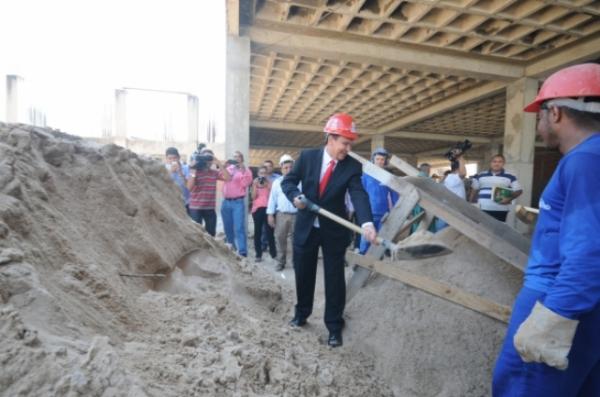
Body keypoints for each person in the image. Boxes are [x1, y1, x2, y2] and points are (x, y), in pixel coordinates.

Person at [492, 63, 600, 396]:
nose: (538, 126)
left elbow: (589, 253)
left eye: (539, 116)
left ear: (555, 113)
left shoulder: (585, 161)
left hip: (557, 299)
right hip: (585, 305)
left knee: (521, 387)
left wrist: (553, 317)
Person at [281, 112, 377, 348]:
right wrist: (295, 197)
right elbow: (288, 182)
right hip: (306, 226)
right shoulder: (308, 157)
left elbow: (358, 194)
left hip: (333, 229)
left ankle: (334, 326)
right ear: (330, 139)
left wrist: (366, 222)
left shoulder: (352, 166)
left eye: (350, 143)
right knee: (304, 273)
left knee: (334, 279)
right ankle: (301, 314)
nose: (348, 148)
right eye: (345, 143)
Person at [359, 147, 399, 254]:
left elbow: (394, 195)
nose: (380, 161)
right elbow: (360, 194)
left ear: (385, 161)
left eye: (382, 159)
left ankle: (378, 260)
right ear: (373, 160)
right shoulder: (366, 176)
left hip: (383, 214)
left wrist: (396, 210)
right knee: (366, 238)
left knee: (381, 239)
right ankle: (361, 260)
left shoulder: (388, 177)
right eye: (378, 159)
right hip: (368, 213)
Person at [186, 147, 230, 236]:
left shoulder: (214, 173)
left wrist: (219, 164)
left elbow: (228, 178)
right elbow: (189, 188)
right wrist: (193, 169)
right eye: (205, 157)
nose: (207, 161)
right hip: (195, 208)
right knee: (196, 234)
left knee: (211, 234)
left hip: (209, 208)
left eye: (209, 158)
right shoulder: (194, 171)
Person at [266, 154, 298, 271]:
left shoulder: (299, 181)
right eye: (286, 168)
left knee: (296, 240)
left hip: (296, 215)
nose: (288, 170)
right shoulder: (277, 182)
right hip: (281, 215)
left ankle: (296, 262)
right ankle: (281, 261)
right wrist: (270, 214)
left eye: (290, 167)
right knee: (280, 238)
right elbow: (272, 199)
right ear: (281, 168)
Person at [470, 154, 522, 222]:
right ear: (490, 163)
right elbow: (474, 190)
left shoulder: (510, 176)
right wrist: (470, 203)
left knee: (499, 230)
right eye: (494, 161)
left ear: (503, 163)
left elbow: (519, 191)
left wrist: (509, 198)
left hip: (501, 209)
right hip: (483, 208)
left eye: (500, 162)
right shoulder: (480, 175)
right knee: (483, 229)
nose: (497, 164)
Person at [221, 151, 253, 257]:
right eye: (234, 157)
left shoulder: (246, 171)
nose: (236, 159)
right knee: (227, 227)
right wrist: (224, 165)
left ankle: (243, 252)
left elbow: (246, 183)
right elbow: (221, 177)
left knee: (239, 227)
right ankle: (231, 248)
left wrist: (242, 170)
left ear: (242, 159)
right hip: (226, 202)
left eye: (238, 157)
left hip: (237, 202)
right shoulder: (228, 169)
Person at [250, 166, 276, 262]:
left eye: (264, 173)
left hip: (268, 209)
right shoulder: (255, 182)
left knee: (270, 232)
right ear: (258, 174)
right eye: (261, 173)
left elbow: (272, 197)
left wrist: (267, 185)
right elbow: (253, 197)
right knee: (258, 232)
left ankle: (273, 253)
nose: (263, 175)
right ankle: (258, 254)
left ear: (267, 174)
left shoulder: (270, 183)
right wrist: (255, 186)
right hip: (257, 209)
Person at [435, 154, 467, 230]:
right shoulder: (453, 177)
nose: (464, 168)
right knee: (444, 230)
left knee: (443, 229)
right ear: (458, 168)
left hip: (448, 208)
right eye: (463, 166)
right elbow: (463, 173)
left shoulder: (449, 178)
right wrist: (461, 157)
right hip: (453, 210)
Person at [165, 147, 190, 214]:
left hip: (186, 202)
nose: (172, 160)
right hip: (171, 203)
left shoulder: (186, 168)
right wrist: (170, 172)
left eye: (174, 158)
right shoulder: (163, 169)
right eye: (170, 158)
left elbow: (188, 186)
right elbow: (163, 183)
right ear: (166, 159)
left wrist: (180, 173)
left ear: (179, 158)